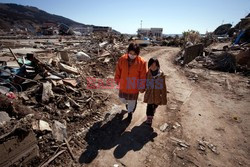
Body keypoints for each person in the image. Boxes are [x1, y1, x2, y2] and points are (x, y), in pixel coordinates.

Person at [115, 43, 147, 121]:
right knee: (122, 99)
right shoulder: (122, 59)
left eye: (134, 54)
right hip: (124, 84)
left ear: (137, 53)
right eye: (130, 53)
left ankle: (130, 113)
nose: (132, 55)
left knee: (132, 101)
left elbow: (143, 76)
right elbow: (118, 70)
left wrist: (142, 86)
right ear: (128, 52)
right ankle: (128, 105)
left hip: (134, 86)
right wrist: (117, 79)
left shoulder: (141, 62)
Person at [144, 57, 167, 125]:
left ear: (158, 65)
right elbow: (144, 82)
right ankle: (149, 118)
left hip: (157, 94)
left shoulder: (160, 75)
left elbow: (163, 87)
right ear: (149, 66)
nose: (153, 67)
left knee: (155, 104)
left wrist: (164, 97)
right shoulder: (147, 73)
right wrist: (142, 89)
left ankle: (153, 110)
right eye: (152, 65)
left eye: (155, 65)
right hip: (149, 93)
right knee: (149, 105)